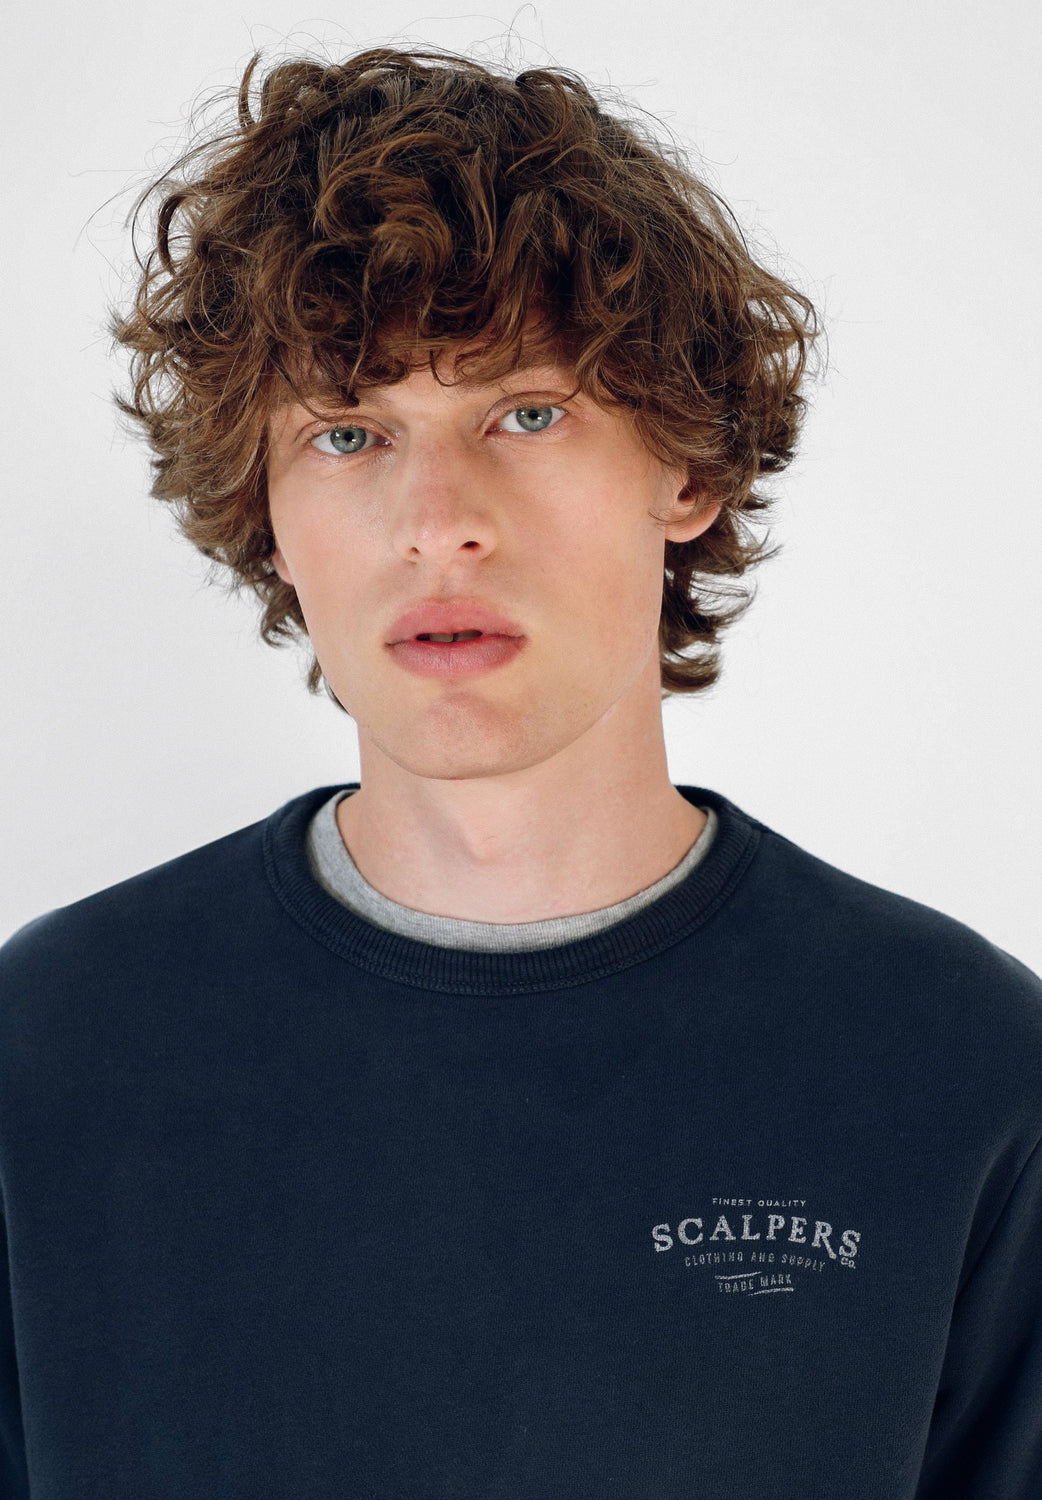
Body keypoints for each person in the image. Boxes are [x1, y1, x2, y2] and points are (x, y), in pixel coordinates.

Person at [1, 42, 1039, 1500]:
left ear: (687, 468)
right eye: (348, 433)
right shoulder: (49, 1052)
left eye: (525, 414)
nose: (438, 521)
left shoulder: (958, 1066)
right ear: (266, 513)